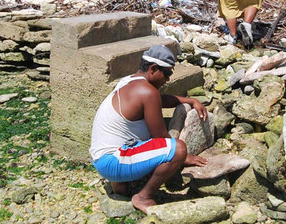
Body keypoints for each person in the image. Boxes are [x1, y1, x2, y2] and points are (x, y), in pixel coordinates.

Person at [89, 45, 208, 213]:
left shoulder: (130, 81)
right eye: (167, 74)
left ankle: (120, 185)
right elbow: (161, 137)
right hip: (113, 162)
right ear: (153, 69)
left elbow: (160, 100)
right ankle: (143, 197)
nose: (167, 79)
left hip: (101, 158)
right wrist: (184, 158)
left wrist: (189, 100)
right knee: (178, 148)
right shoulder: (147, 92)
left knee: (152, 139)